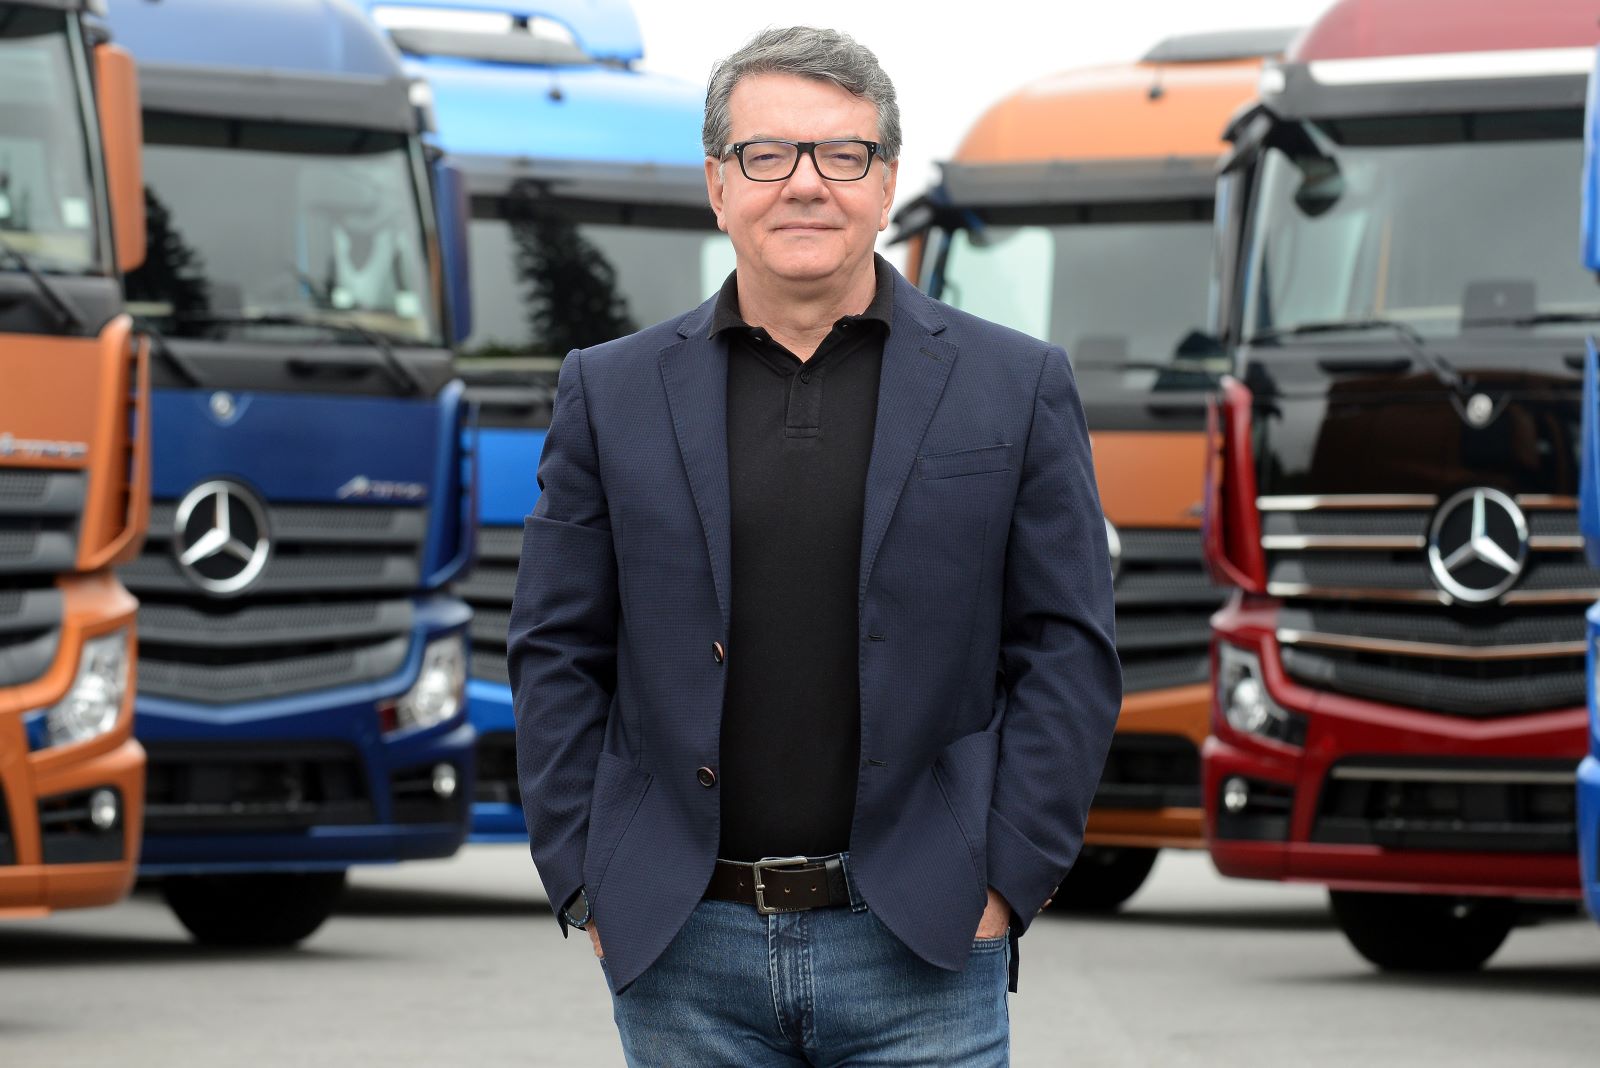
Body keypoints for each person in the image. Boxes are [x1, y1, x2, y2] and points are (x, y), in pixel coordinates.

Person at [508, 26, 1121, 1066]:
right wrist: (585, 876)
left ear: (885, 183)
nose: (804, 184)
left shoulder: (1014, 386)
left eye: (841, 154)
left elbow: (1068, 650)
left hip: (923, 944)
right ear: (717, 184)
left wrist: (1008, 877)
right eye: (766, 155)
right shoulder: (608, 393)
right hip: (683, 951)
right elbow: (554, 648)